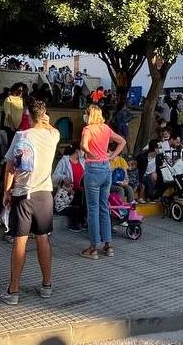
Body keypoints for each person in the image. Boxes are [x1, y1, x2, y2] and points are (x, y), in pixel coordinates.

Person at [0, 100, 60, 305]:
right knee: (43, 238)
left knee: (20, 240)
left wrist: (6, 192)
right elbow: (53, 128)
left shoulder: (21, 136)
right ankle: (47, 285)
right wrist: (47, 122)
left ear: (28, 115)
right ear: (44, 115)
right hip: (44, 193)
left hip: (23, 193)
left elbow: (10, 167)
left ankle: (13, 290)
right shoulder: (53, 136)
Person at [78, 104, 127, 260]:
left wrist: (91, 154)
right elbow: (122, 141)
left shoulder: (88, 129)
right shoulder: (106, 128)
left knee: (93, 210)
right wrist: (111, 156)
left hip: (93, 170)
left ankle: (93, 248)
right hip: (107, 169)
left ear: (89, 115)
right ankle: (108, 245)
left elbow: (83, 146)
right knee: (104, 207)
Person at [52, 146, 86, 231]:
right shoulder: (64, 161)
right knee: (76, 207)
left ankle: (83, 222)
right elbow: (55, 176)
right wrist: (64, 177)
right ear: (76, 150)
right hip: (69, 192)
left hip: (81, 190)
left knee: (85, 202)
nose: (83, 152)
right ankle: (76, 224)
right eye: (82, 150)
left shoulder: (82, 161)